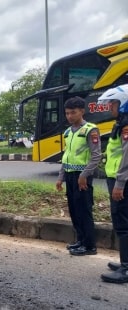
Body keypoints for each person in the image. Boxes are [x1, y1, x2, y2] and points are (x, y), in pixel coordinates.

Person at [56, 96, 101, 256]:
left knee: (84, 210)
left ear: (82, 111)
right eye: (67, 113)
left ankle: (90, 245)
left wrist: (84, 175)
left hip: (83, 176)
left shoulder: (90, 129)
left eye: (73, 113)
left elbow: (96, 156)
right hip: (69, 175)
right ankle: (80, 241)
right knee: (74, 210)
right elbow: (66, 156)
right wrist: (61, 177)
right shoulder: (68, 132)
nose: (69, 116)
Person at [98, 85, 128, 283]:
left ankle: (126, 268)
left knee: (123, 223)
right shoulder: (121, 123)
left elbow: (127, 156)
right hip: (117, 178)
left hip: (122, 181)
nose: (110, 107)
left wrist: (120, 183)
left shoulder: (126, 125)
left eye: (114, 103)